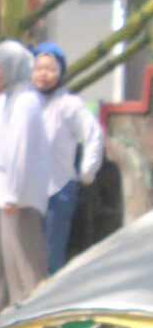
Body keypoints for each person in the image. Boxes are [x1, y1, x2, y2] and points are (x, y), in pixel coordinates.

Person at [0, 40, 55, 315]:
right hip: (6, 192)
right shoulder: (7, 100)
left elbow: (19, 152)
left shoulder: (25, 102)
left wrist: (13, 196)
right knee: (4, 258)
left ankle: (33, 314)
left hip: (20, 198)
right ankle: (4, 310)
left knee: (25, 261)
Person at [31, 43, 105, 276]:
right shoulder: (26, 104)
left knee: (52, 257)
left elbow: (94, 134)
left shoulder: (69, 105)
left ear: (61, 72)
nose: (44, 74)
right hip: (27, 193)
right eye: (39, 68)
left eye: (51, 69)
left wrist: (87, 171)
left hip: (58, 190)